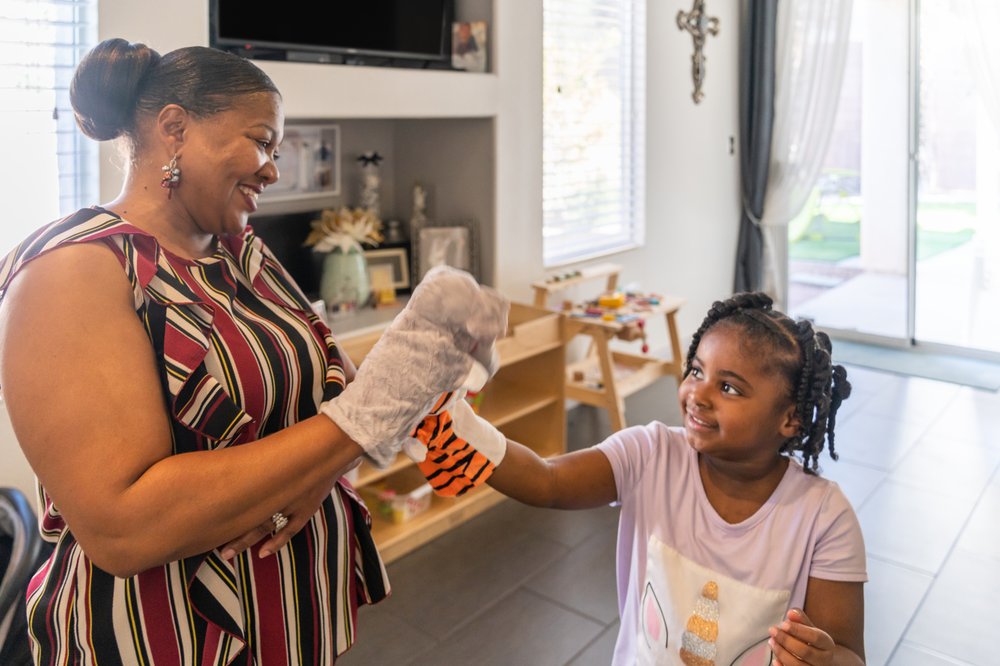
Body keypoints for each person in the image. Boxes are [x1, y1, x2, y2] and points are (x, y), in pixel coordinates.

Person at [0, 38, 506, 664]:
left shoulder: (245, 253)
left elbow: (335, 402)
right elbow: (123, 526)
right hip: (161, 637)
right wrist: (356, 421)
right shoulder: (73, 269)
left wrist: (425, 357)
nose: (273, 167)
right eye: (262, 140)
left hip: (293, 619)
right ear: (175, 128)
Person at [414, 292, 866, 665]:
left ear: (790, 419)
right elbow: (547, 480)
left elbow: (849, 655)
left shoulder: (824, 518)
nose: (697, 395)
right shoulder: (650, 453)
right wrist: (459, 425)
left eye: (728, 388)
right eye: (696, 371)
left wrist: (824, 659)